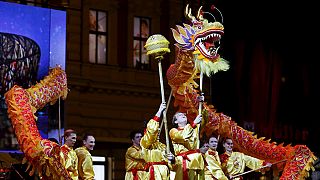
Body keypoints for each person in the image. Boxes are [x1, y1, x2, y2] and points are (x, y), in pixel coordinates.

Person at [169, 96, 205, 180]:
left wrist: (200, 104)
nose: (184, 115)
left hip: (197, 160)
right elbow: (183, 137)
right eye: (180, 115)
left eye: (184, 114)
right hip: (183, 162)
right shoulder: (173, 131)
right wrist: (193, 124)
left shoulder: (194, 128)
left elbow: (203, 119)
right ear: (176, 121)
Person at [140, 102, 175, 179]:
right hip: (154, 174)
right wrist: (159, 111)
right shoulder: (145, 142)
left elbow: (172, 166)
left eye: (158, 130)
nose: (157, 131)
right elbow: (152, 131)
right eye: (156, 130)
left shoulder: (162, 146)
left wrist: (172, 160)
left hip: (164, 174)